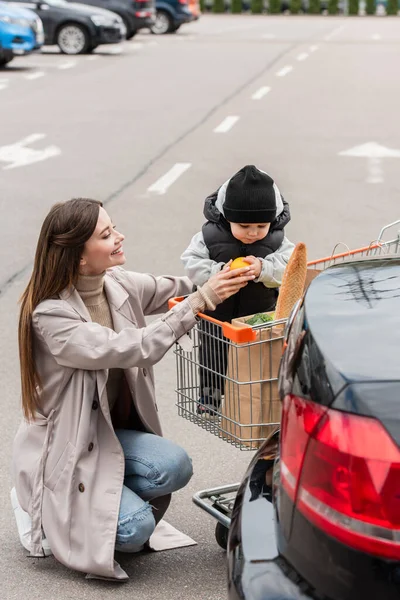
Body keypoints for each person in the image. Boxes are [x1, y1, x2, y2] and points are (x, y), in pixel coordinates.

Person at [11, 198, 255, 581]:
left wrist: (230, 275)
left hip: (106, 436)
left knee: (175, 465)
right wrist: (201, 299)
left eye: (114, 228)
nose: (119, 237)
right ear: (77, 257)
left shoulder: (117, 283)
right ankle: (41, 503)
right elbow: (132, 347)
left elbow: (179, 289)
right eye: (107, 235)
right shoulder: (50, 315)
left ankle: (99, 496)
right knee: (133, 529)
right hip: (68, 447)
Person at [181, 165, 294, 415]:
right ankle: (210, 396)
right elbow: (191, 263)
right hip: (217, 312)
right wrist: (218, 273)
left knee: (256, 360)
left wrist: (264, 268)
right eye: (244, 226)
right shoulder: (209, 236)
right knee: (213, 355)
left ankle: (254, 399)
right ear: (227, 217)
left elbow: (290, 266)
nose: (253, 233)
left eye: (261, 226)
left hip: (259, 314)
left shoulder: (276, 240)